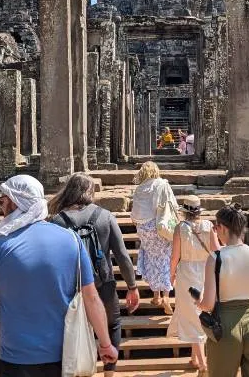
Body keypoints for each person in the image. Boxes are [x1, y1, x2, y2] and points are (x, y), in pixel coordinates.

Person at [0, 175, 118, 377]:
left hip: (15, 359)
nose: (1, 208)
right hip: (64, 358)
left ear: (15, 203)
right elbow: (91, 298)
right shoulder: (71, 241)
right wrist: (106, 343)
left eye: (2, 201)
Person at [49, 173, 141, 377]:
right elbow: (122, 256)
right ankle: (109, 372)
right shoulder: (105, 216)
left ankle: (77, 369)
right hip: (103, 282)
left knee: (72, 327)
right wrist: (132, 287)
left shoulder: (57, 221)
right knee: (112, 324)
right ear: (90, 192)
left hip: (71, 286)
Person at [196, 203, 249, 377]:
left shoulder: (215, 258)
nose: (214, 231)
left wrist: (198, 301)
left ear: (223, 228)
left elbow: (208, 304)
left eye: (215, 227)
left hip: (225, 325)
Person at [168, 195, 220, 374]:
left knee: (192, 316)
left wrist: (171, 273)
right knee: (200, 312)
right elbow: (217, 251)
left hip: (187, 274)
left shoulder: (180, 228)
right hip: (206, 271)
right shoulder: (208, 226)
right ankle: (194, 357)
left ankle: (203, 364)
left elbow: (175, 256)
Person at [131, 161, 177, 314]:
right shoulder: (162, 184)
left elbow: (135, 212)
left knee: (152, 259)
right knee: (165, 259)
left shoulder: (139, 188)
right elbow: (172, 205)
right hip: (159, 227)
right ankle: (166, 297)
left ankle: (156, 296)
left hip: (143, 228)